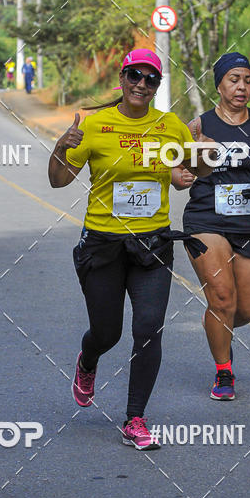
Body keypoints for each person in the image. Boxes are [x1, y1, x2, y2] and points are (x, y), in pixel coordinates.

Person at [48, 48, 212, 450]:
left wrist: (199, 157)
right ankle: (88, 361)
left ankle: (135, 418)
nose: (141, 84)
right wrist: (60, 145)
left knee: (148, 329)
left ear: (157, 86)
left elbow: (184, 174)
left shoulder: (170, 125)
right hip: (103, 243)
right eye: (134, 76)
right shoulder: (96, 124)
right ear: (121, 79)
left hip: (152, 243)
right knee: (107, 331)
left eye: (150, 79)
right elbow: (57, 181)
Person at [175, 51, 250, 400]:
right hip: (206, 219)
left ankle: (217, 323)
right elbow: (179, 173)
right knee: (223, 297)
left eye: (247, 80)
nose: (242, 87)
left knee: (246, 309)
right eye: (234, 80)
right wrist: (182, 174)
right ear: (220, 85)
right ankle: (224, 372)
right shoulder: (199, 126)